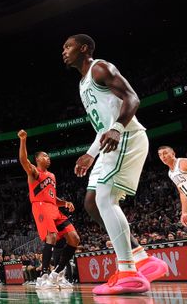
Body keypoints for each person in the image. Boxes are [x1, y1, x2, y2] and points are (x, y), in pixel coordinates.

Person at [63, 34, 168, 295]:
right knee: (91, 202)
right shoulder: (81, 83)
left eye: (68, 46)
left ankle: (128, 273)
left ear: (84, 48)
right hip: (110, 141)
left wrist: (118, 128)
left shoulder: (101, 67)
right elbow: (102, 126)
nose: (63, 51)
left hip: (127, 137)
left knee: (106, 198)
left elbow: (132, 98)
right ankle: (142, 259)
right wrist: (90, 154)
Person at [17, 130, 80, 288]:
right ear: (37, 159)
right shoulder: (34, 172)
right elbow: (23, 159)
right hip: (40, 206)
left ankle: (56, 273)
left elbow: (53, 198)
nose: (48, 158)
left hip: (53, 208)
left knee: (74, 238)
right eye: (44, 156)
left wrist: (64, 203)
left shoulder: (52, 176)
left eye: (48, 156)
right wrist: (23, 140)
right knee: (51, 236)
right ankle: (43, 275)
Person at [156, 146, 187, 226]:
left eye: (165, 153)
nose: (163, 156)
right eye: (160, 155)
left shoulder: (182, 163)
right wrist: (184, 212)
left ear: (173, 154)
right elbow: (182, 192)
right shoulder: (170, 173)